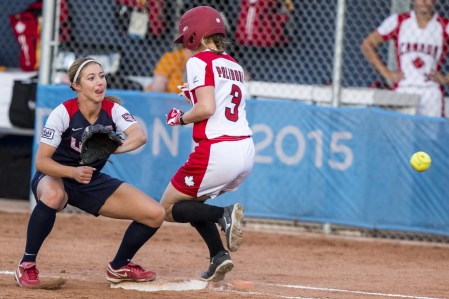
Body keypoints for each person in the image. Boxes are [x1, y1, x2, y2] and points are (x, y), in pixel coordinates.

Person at [14, 57, 166, 288]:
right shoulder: (63, 112)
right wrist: (72, 173)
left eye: (102, 76)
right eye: (91, 78)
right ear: (77, 86)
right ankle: (26, 264)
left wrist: (115, 148)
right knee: (54, 195)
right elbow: (41, 162)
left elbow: (140, 135)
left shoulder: (112, 109)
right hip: (56, 176)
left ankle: (119, 266)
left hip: (89, 179)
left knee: (155, 213)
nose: (99, 82)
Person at [161, 6, 255, 282]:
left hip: (217, 148)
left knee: (165, 209)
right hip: (244, 149)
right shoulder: (234, 64)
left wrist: (180, 118)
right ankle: (218, 255)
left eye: (187, 40)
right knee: (192, 202)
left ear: (197, 37)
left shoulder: (199, 61)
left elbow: (205, 108)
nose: (186, 48)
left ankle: (222, 214)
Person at [360, 0, 449, 117]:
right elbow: (367, 44)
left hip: (430, 90)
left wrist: (445, 79)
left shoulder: (444, 26)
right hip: (404, 87)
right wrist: (387, 73)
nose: (424, 2)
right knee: (402, 132)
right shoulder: (399, 21)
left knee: (429, 133)